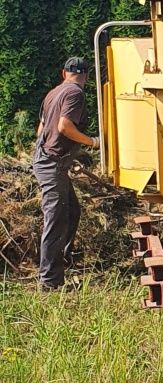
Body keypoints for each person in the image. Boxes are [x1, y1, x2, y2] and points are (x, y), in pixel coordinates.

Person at [32, 57, 99, 289]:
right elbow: (64, 127)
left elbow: (41, 129)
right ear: (87, 76)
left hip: (49, 161)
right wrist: (92, 142)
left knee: (71, 211)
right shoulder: (75, 94)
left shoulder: (54, 93)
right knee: (56, 219)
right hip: (51, 164)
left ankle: (60, 261)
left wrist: (64, 154)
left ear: (64, 73)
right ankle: (50, 282)